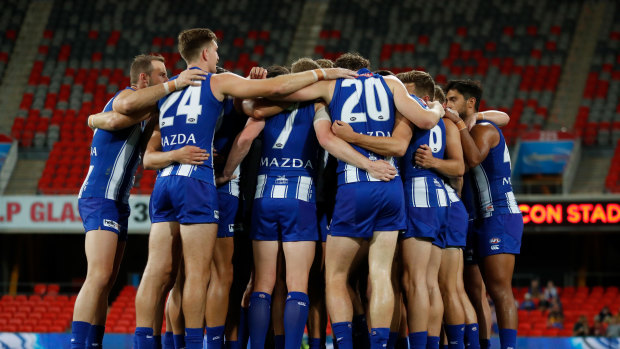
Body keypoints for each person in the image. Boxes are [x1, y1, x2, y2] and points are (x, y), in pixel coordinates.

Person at [133, 28, 358, 349]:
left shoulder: (166, 92)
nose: (219, 56)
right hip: (203, 181)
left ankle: (147, 343)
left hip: (166, 183)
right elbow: (274, 90)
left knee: (159, 273)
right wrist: (323, 74)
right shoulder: (218, 81)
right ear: (207, 53)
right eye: (217, 50)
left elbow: (140, 142)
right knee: (202, 275)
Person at [218, 60, 398, 349]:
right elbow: (327, 139)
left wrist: (226, 173)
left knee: (262, 285)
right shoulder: (317, 106)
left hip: (265, 196)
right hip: (300, 197)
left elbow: (245, 139)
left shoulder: (266, 107)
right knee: (297, 286)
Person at [277, 53, 444, 349]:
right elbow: (425, 119)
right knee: (380, 274)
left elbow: (281, 89)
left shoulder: (332, 87)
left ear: (342, 71)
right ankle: (379, 345)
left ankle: (344, 343)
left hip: (354, 186)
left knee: (336, 276)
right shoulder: (391, 83)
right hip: (391, 186)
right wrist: (438, 108)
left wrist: (320, 76)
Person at [71, 54, 203, 349]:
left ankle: (93, 344)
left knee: (107, 282)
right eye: (161, 75)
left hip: (117, 202)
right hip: (99, 196)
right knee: (98, 276)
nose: (166, 79)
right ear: (144, 79)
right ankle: (77, 344)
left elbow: (146, 152)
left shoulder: (145, 112)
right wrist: (175, 86)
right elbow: (121, 111)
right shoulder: (129, 95)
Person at [443, 79, 523, 349]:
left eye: (452, 99)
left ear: (470, 103)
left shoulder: (485, 130)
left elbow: (474, 158)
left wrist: (461, 124)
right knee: (472, 290)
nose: (447, 104)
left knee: (499, 290)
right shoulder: (469, 126)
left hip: (498, 214)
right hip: (474, 219)